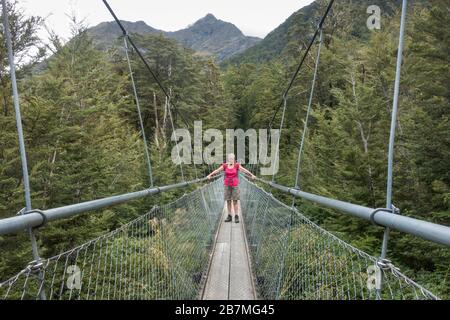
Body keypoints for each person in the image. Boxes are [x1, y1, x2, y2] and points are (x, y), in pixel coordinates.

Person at [207, 153, 256, 223]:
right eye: (230, 158)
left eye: (232, 158)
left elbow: (244, 170)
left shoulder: (237, 165)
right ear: (228, 159)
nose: (231, 160)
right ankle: (229, 216)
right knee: (228, 200)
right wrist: (210, 175)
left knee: (235, 201)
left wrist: (251, 175)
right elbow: (217, 170)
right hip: (227, 185)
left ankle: (236, 216)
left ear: (234, 159)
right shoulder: (224, 165)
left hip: (235, 185)